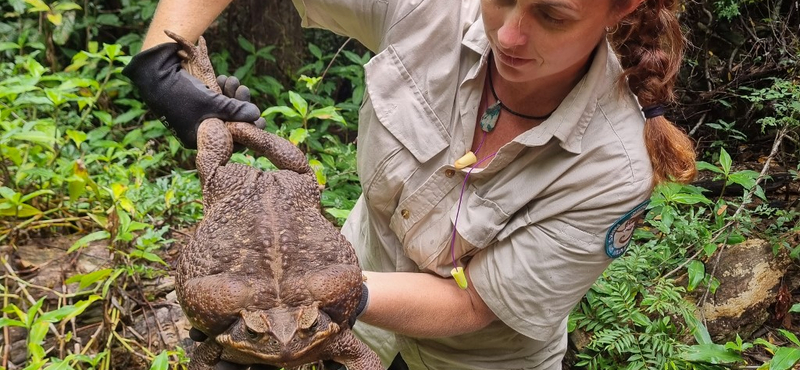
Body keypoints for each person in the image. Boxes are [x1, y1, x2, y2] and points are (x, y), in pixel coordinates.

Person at [122, 0, 697, 368]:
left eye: (552, 14)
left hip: (474, 359)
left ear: (619, 9)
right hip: (346, 323)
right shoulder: (432, 11)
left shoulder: (614, 167)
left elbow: (476, 305)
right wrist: (162, 62)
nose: (512, 34)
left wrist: (322, 294)